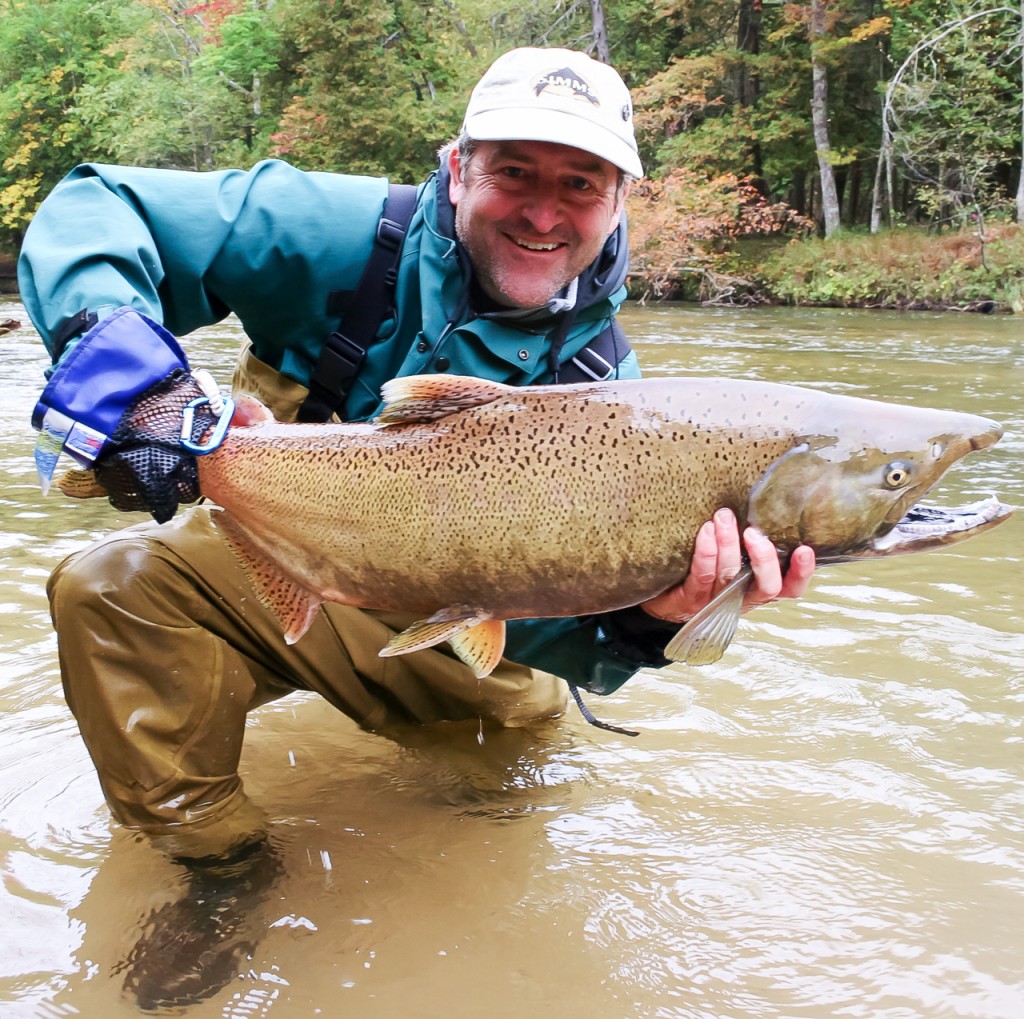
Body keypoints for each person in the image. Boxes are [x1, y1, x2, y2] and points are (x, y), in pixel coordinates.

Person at [20, 47, 815, 1006]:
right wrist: (139, 385)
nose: (544, 211)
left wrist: (650, 620)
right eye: (514, 171)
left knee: (498, 803)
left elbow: (564, 635)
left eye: (581, 184)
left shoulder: (616, 393)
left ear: (617, 202)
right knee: (111, 588)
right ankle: (219, 868)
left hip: (466, 624)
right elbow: (101, 204)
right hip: (286, 543)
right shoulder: (344, 235)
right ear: (457, 167)